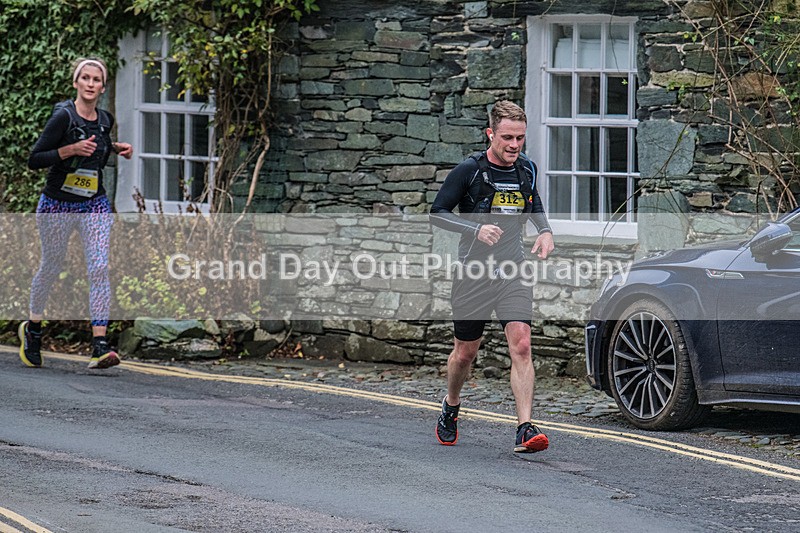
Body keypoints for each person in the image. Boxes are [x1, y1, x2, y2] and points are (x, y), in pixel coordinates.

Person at [430, 100, 554, 453]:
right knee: (465, 353)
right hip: (474, 273)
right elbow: (438, 212)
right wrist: (475, 229)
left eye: (520, 138)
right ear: (491, 134)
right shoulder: (469, 170)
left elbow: (534, 204)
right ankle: (451, 403)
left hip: (512, 270)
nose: (514, 145)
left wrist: (545, 231)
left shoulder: (526, 169)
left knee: (522, 344)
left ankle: (525, 428)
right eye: (507, 138)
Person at [20, 57, 133, 370]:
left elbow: (98, 143)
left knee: (99, 267)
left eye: (96, 79)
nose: (90, 84)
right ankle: (33, 329)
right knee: (51, 266)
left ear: (102, 87)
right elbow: (35, 159)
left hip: (93, 203)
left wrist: (116, 147)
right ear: (76, 82)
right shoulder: (63, 116)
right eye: (85, 78)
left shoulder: (105, 119)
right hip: (57, 203)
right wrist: (70, 150)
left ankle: (99, 345)